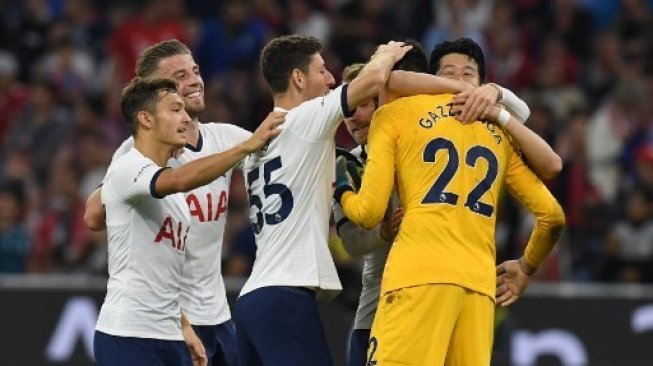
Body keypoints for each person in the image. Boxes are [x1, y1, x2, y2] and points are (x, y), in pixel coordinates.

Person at [233, 35, 470, 366]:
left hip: (252, 298)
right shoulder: (306, 119)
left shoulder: (259, 142)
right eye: (322, 70)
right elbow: (372, 80)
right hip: (286, 294)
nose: (330, 80)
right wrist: (386, 54)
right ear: (298, 79)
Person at [334, 38, 565, 365]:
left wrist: (342, 186)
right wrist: (526, 267)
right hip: (478, 288)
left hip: (414, 279)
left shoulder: (394, 115)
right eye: (449, 73)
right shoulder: (498, 137)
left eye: (466, 74)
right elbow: (553, 215)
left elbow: (368, 213)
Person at [85, 39, 259, 366]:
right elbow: (94, 216)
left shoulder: (224, 137)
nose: (193, 81)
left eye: (195, 71)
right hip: (154, 319)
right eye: (179, 77)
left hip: (213, 314)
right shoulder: (135, 154)